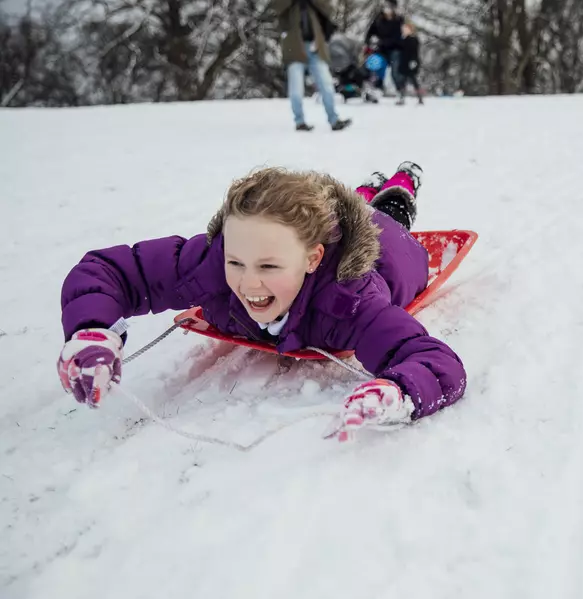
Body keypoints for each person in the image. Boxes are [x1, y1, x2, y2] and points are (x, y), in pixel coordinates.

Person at [56, 162, 465, 442]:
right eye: (236, 261)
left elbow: (431, 359)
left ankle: (401, 181)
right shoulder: (212, 262)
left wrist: (400, 391)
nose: (247, 282)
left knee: (387, 209)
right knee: (341, 203)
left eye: (268, 265)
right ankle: (360, 191)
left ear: (312, 259)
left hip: (391, 246)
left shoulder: (348, 298)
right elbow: (114, 271)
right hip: (313, 225)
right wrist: (93, 329)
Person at [271, 0, 351, 132]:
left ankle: (334, 120)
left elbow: (328, 9)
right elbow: (277, 7)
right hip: (294, 47)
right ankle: (300, 122)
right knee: (296, 89)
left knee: (326, 85)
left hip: (315, 46)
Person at [365, 0, 406, 99]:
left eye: (389, 6)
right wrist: (369, 42)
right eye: (385, 6)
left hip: (395, 49)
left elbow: (399, 37)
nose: (386, 9)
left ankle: (400, 90)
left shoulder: (399, 21)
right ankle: (376, 89)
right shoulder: (379, 20)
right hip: (381, 50)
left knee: (395, 72)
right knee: (376, 65)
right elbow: (369, 33)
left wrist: (383, 41)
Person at [398, 22, 424, 105]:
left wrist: (413, 61)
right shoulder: (403, 39)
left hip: (411, 63)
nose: (404, 30)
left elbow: (415, 52)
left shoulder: (414, 39)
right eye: (403, 29)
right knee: (402, 81)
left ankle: (420, 98)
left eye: (406, 29)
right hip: (404, 63)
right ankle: (402, 98)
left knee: (414, 81)